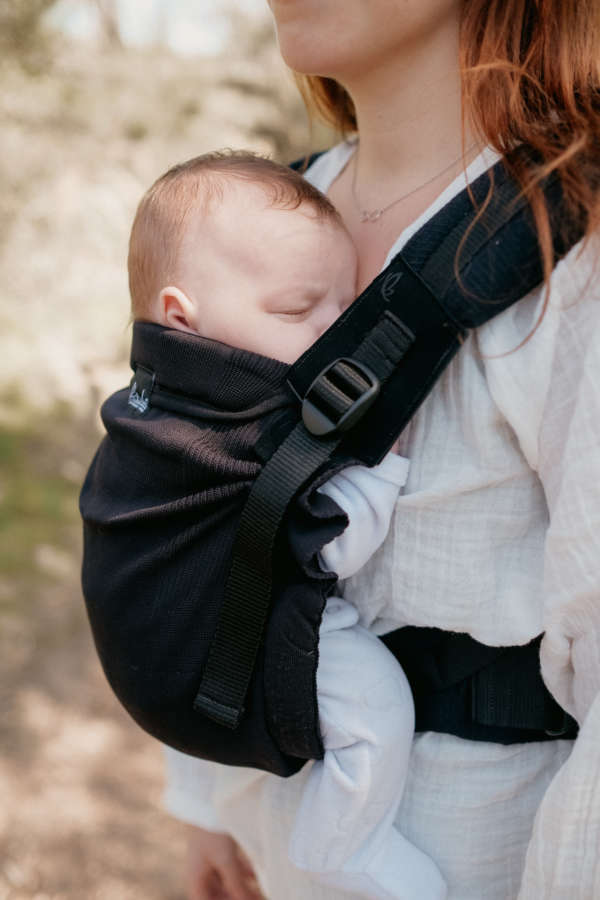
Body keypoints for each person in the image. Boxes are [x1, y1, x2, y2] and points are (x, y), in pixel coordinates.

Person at [163, 1, 600, 899]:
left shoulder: (573, 242)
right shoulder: (264, 213)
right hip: (269, 832)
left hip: (481, 854)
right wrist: (206, 797)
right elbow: (206, 525)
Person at [127, 152, 446, 899]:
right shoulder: (228, 434)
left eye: (346, 308)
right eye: (301, 311)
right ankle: (339, 848)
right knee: (372, 704)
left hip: (184, 648)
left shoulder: (159, 400)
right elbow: (321, 548)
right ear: (182, 316)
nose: (334, 334)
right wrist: (383, 471)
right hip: (224, 634)